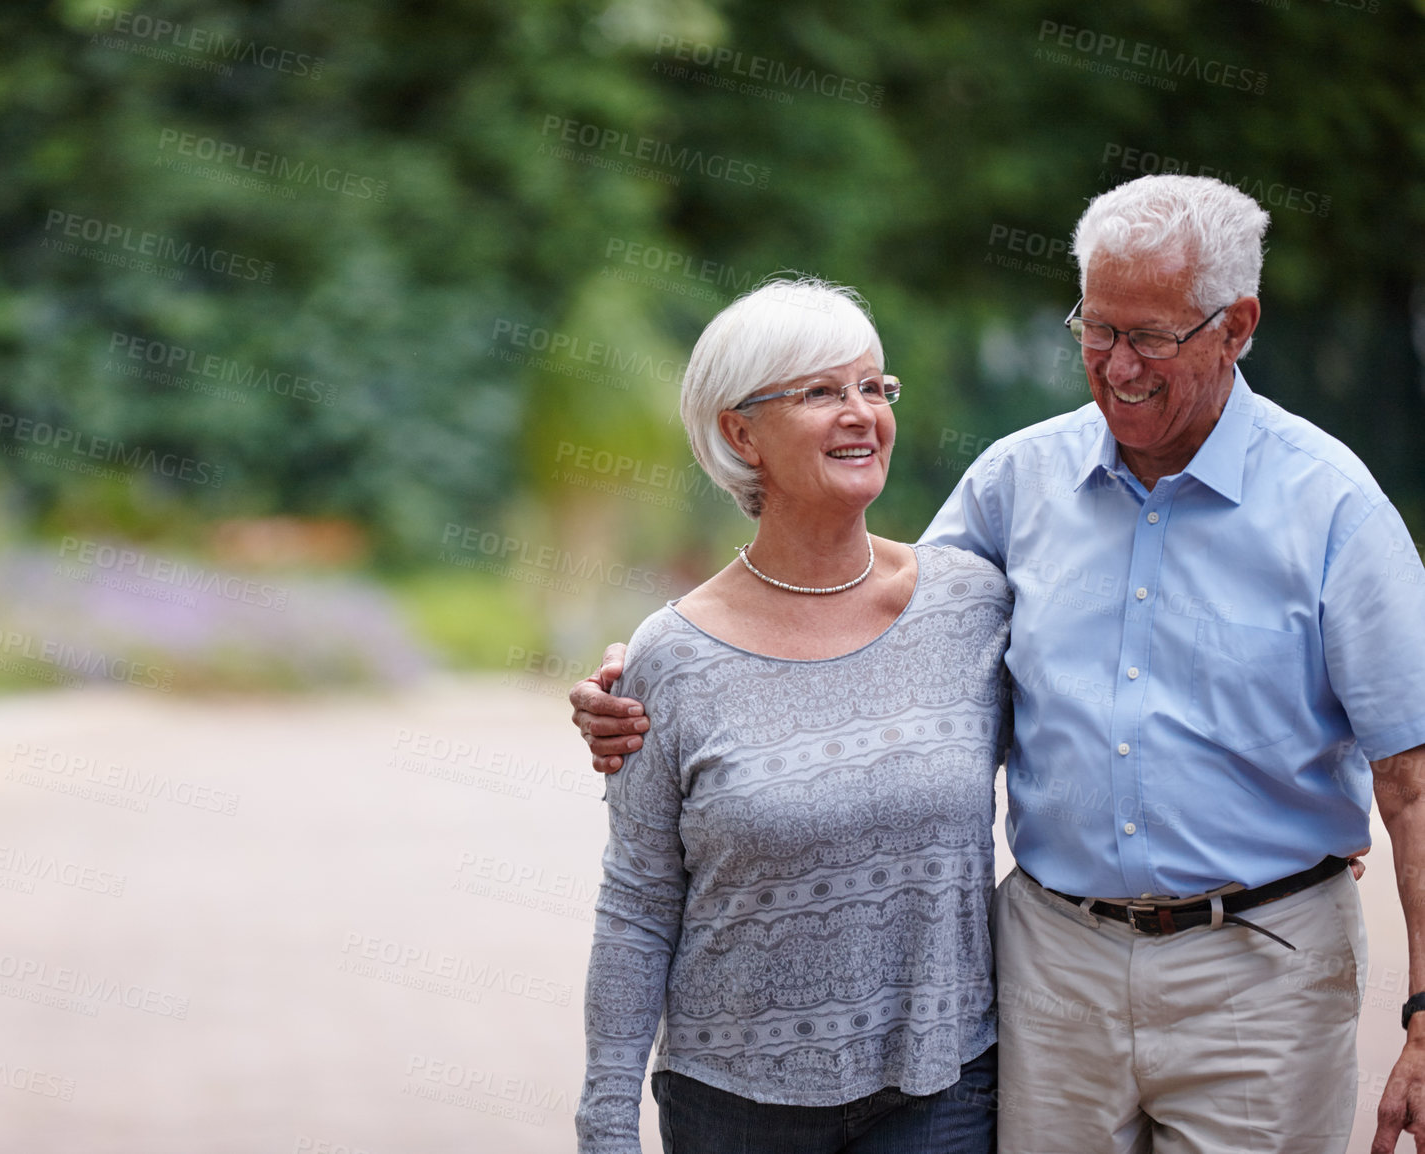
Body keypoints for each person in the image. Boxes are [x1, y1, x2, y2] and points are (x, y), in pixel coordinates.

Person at [570, 174, 1425, 1154]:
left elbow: (1411, 778)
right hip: (1049, 972)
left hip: (1257, 967)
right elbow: (871, 635)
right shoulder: (1012, 485)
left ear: (1236, 326)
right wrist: (642, 678)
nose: (1116, 365)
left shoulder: (1331, 506)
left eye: (1149, 336)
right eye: (1094, 329)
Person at [575, 277, 1009, 1154]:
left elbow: (1104, 723)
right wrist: (605, 1122)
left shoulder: (971, 606)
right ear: (741, 432)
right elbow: (639, 902)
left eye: (872, 387)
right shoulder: (672, 655)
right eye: (820, 392)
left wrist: (1273, 816)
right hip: (732, 1105)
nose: (860, 414)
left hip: (941, 1093)